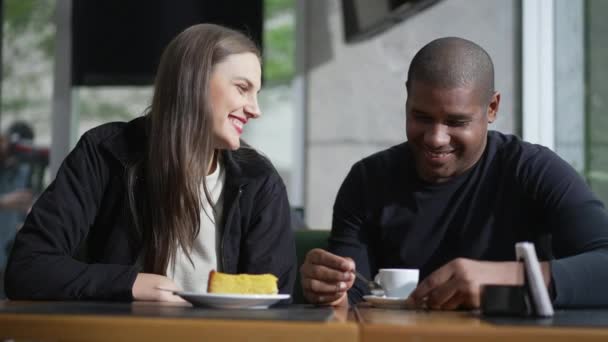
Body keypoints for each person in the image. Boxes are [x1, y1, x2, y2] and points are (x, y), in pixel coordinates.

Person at [300, 37, 608, 309]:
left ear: (492, 108)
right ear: (407, 97)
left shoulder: (532, 170)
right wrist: (329, 292)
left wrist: (503, 278)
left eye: (456, 122)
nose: (436, 138)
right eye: (421, 117)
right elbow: (351, 302)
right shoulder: (367, 181)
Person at [5, 23, 296, 301]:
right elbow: (28, 267)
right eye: (242, 88)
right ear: (192, 82)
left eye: (257, 93)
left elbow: (274, 304)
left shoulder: (260, 180)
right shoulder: (105, 153)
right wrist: (130, 283)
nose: (255, 110)